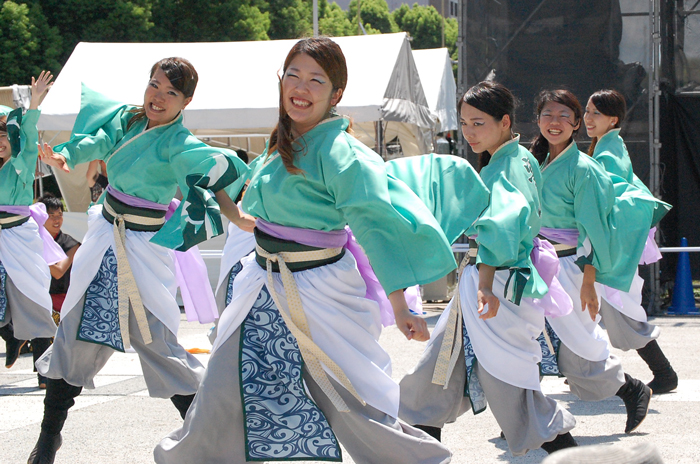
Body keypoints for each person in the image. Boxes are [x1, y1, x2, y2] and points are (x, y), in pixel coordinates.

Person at [155, 37, 457, 464]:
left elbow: (376, 227)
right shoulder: (280, 143)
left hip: (317, 289)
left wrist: (401, 305)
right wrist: (217, 193)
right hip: (261, 284)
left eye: (316, 80)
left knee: (348, 403)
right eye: (293, 75)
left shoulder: (344, 154)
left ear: (336, 94)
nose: (301, 87)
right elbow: (250, 219)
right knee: (223, 390)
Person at [28, 57, 253, 464]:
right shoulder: (128, 122)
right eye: (155, 85)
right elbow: (95, 141)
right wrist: (64, 155)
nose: (158, 97)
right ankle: (47, 440)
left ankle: (208, 442)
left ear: (186, 101)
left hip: (142, 249)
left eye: (171, 92)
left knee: (158, 343)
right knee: (73, 337)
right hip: (103, 240)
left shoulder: (178, 144)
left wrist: (237, 215)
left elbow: (209, 171)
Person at [398, 81, 578, 457]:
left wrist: (483, 285)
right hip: (498, 280)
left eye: (478, 123)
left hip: (496, 283)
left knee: (509, 382)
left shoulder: (505, 167)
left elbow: (500, 225)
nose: (469, 131)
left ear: (504, 121)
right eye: (464, 122)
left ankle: (563, 451)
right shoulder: (522, 158)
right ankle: (421, 444)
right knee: (436, 374)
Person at [531, 89, 658, 435]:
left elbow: (595, 229)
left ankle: (630, 388)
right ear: (537, 119)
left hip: (570, 266)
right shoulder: (534, 161)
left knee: (580, 344)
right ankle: (522, 409)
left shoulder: (585, 167)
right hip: (533, 265)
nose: (554, 123)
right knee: (526, 339)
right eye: (547, 115)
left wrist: (589, 279)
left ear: (574, 124)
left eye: (564, 116)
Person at [584, 89, 677, 394]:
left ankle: (661, 373)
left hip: (609, 246)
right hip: (606, 243)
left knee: (618, 308)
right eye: (586, 111)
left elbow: (612, 193)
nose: (588, 118)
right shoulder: (605, 146)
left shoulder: (609, 149)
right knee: (594, 310)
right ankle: (584, 373)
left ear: (613, 119)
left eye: (596, 113)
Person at [0, 72, 61, 390]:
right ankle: (11, 336)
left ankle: (45, 371)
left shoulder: (21, 162)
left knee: (34, 299)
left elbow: (27, 130)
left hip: (18, 235)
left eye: (3, 139)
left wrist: (33, 103)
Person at [37, 193, 81, 319]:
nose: (57, 220)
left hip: (63, 302)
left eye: (60, 215)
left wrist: (34, 254)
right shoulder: (34, 240)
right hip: (37, 298)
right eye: (51, 216)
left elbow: (58, 272)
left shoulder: (72, 244)